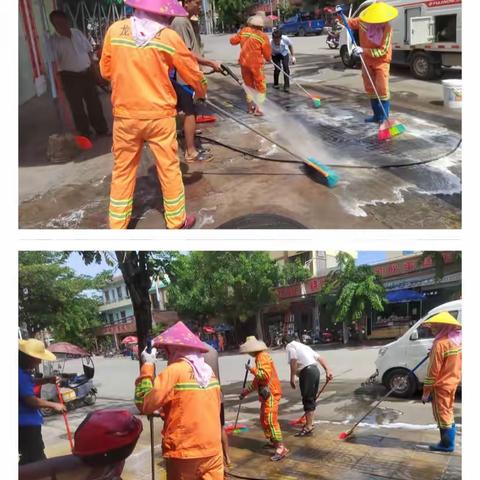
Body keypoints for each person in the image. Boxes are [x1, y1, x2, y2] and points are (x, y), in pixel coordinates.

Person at [100, 0, 208, 229]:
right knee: (169, 169)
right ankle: (177, 221)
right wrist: (201, 91)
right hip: (159, 117)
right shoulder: (168, 37)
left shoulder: (115, 31)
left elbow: (105, 70)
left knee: (123, 170)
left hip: (125, 116)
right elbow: (192, 71)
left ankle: (117, 225)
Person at [134, 321, 223, 479]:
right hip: (213, 451)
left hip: (185, 452)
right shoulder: (209, 373)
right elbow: (199, 406)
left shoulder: (174, 371)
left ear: (174, 349)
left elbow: (144, 403)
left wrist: (147, 365)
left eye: (168, 351)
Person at [170, 0, 223, 163]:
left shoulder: (187, 21)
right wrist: (209, 62)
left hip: (189, 74)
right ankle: (190, 151)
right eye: (197, 3)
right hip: (182, 76)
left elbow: (193, 49)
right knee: (189, 112)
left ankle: (191, 143)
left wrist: (203, 68)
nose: (200, 7)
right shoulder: (179, 22)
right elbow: (185, 53)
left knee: (191, 110)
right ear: (186, 3)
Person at [49, 10, 109, 140]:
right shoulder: (53, 41)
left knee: (95, 104)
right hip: (69, 77)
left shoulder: (77, 34)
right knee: (77, 108)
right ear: (53, 25)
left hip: (87, 73)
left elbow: (89, 54)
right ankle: (85, 134)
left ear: (67, 21)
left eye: (63, 22)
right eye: (57, 23)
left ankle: (101, 129)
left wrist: (96, 74)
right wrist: (59, 88)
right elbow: (53, 65)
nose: (61, 25)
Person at [343, 2, 398, 123]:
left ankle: (384, 118)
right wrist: (339, 15)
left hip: (381, 62)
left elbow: (383, 51)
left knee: (382, 90)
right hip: (367, 62)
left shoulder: (387, 28)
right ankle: (376, 116)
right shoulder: (363, 21)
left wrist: (364, 50)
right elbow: (349, 23)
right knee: (370, 89)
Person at [239, 336, 288, 461]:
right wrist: (245, 392)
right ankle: (274, 441)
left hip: (271, 392)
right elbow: (258, 381)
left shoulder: (262, 357)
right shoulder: (259, 357)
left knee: (270, 419)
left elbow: (264, 375)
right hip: (266, 393)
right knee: (264, 418)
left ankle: (281, 447)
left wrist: (251, 369)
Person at [18, 339, 67, 465]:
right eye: (38, 358)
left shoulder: (21, 372)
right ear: (29, 357)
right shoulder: (20, 374)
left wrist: (46, 380)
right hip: (26, 425)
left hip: (26, 423)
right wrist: (54, 404)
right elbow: (31, 401)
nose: (40, 361)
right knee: (36, 459)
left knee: (29, 457)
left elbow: (29, 383)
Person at [421, 312, 462, 452]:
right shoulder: (456, 341)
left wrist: (426, 392)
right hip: (452, 382)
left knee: (442, 414)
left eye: (435, 326)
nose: (433, 328)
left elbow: (432, 373)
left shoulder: (440, 344)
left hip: (441, 385)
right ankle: (447, 442)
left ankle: (446, 444)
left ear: (443, 326)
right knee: (448, 411)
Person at [283, 335, 333, 437]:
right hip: (315, 370)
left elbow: (293, 360)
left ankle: (308, 426)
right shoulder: (304, 346)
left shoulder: (290, 346)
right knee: (311, 398)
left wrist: (292, 377)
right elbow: (320, 358)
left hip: (307, 372)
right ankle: (310, 422)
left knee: (307, 398)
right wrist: (328, 370)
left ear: (285, 343)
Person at [230, 15, 272, 115]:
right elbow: (267, 53)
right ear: (261, 26)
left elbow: (232, 41)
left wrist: (239, 33)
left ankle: (250, 108)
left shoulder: (244, 31)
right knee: (260, 86)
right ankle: (259, 109)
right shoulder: (262, 36)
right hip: (256, 65)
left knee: (248, 86)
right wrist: (268, 58)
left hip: (244, 64)